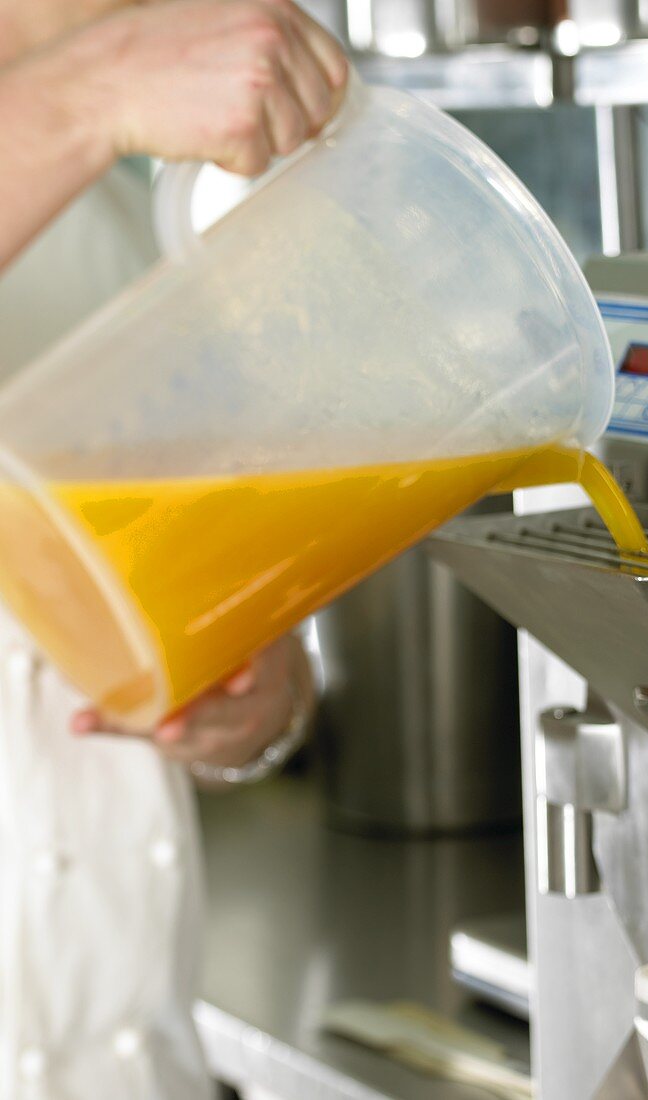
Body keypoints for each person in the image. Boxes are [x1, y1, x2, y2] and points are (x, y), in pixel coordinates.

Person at [0, 3, 347, 1097]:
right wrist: (81, 94)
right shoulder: (83, 117)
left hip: (134, 1048)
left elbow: (268, 668)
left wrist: (257, 707)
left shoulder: (154, 208)